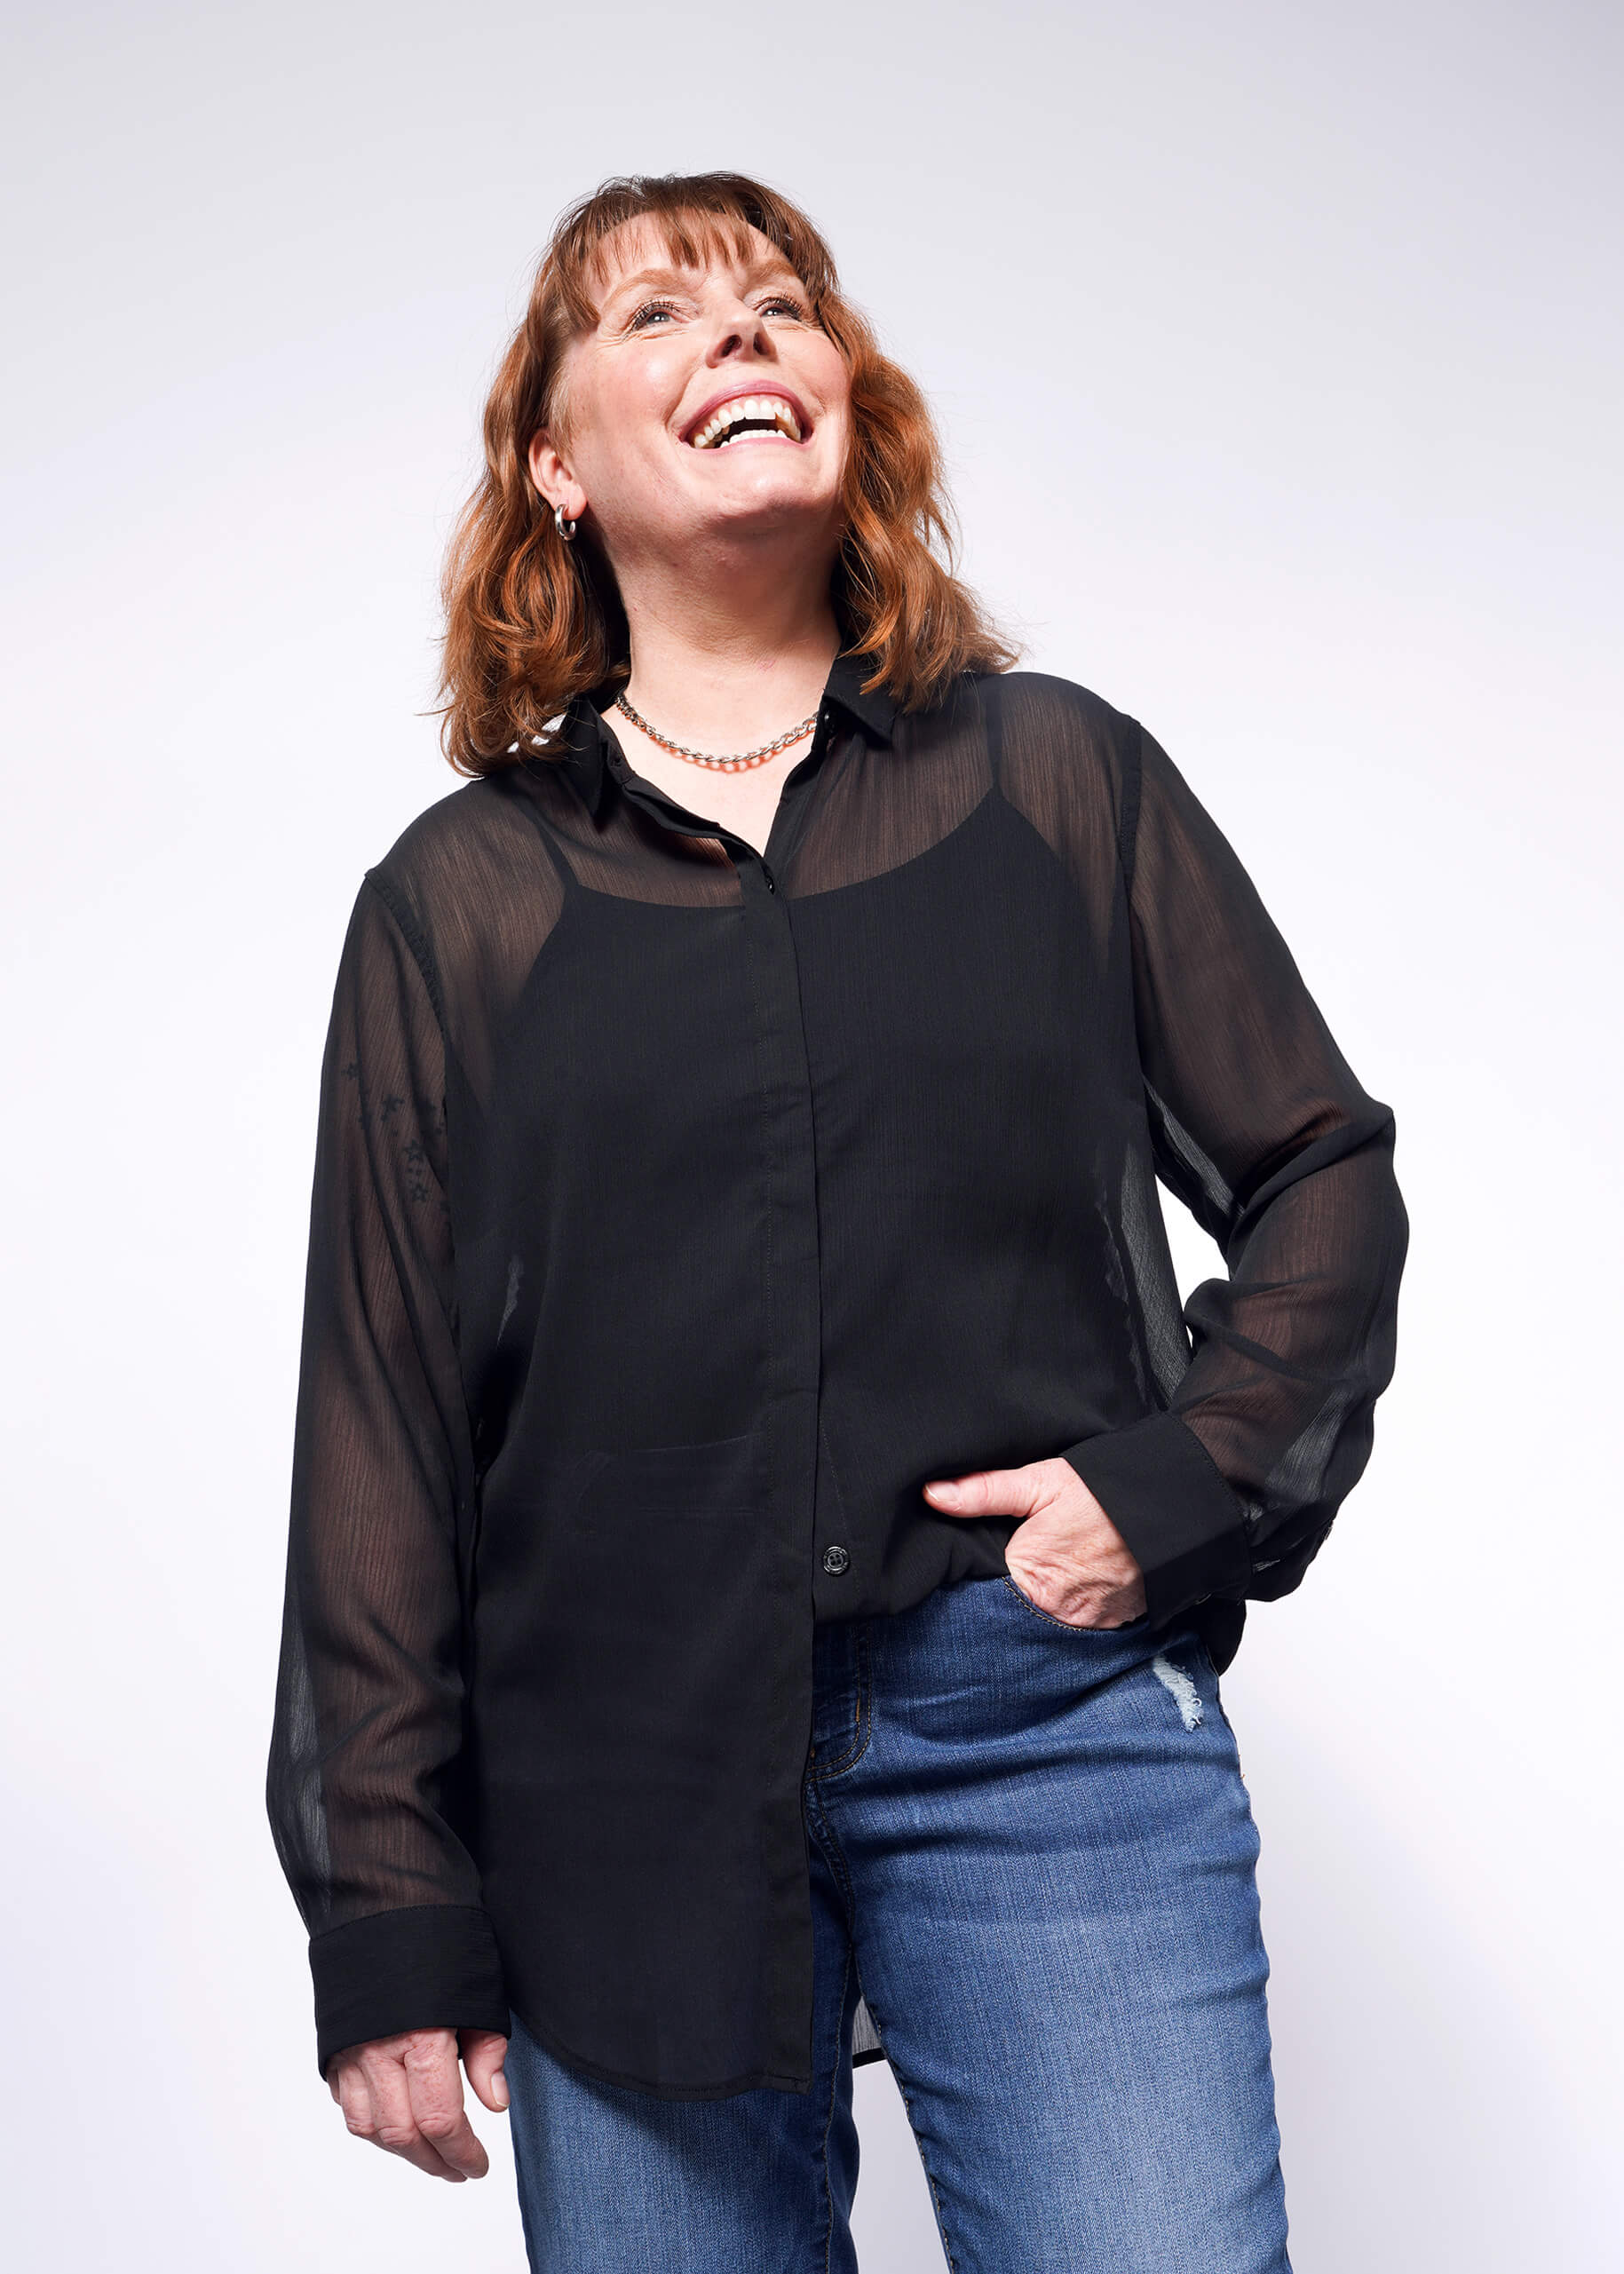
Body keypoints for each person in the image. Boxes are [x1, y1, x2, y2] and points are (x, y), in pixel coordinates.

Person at [266, 170, 1408, 2272]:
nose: (742, 337)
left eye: (782, 303)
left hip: (1039, 1728)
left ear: (848, 401)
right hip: (617, 1763)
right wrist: (388, 1907)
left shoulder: (1058, 784)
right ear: (556, 462)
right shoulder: (462, 907)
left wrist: (1166, 1486)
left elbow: (1323, 1171)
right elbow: (386, 1423)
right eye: (661, 318)